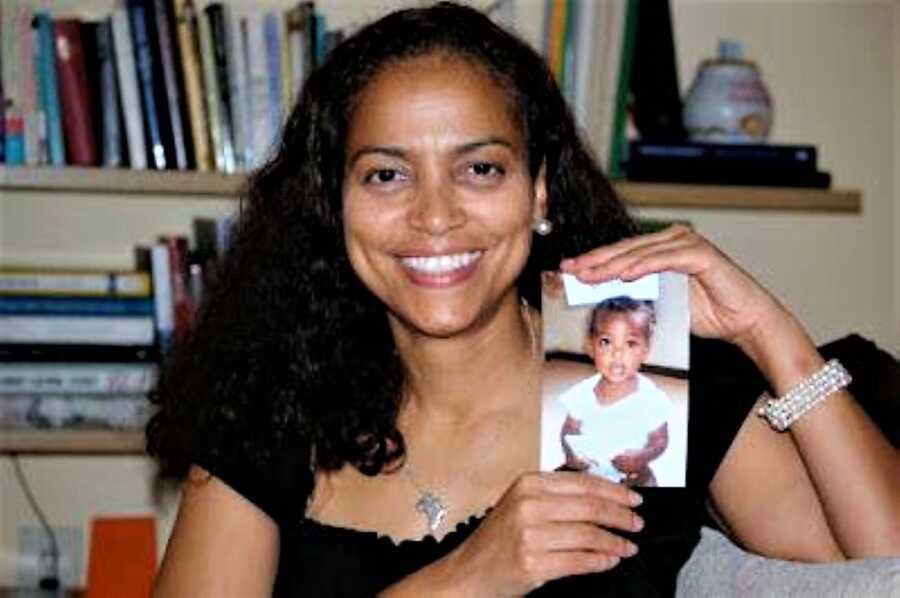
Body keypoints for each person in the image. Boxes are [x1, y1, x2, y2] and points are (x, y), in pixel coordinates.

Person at [148, 3, 900, 597]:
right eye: (386, 175)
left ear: (538, 188)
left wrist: (772, 335)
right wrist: (465, 580)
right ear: (334, 202)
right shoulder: (277, 407)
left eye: (480, 169)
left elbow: (878, 571)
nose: (435, 216)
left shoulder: (627, 364)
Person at [559, 297, 672, 487]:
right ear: (590, 347)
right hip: (589, 469)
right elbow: (568, 430)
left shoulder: (651, 398)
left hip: (633, 473)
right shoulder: (582, 393)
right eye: (606, 342)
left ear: (646, 350)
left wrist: (643, 456)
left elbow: (660, 440)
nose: (617, 353)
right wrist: (571, 454)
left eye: (630, 343)